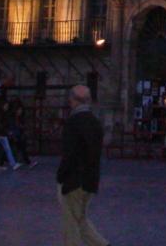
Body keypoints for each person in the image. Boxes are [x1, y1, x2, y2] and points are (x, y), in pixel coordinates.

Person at [56, 85, 109, 246]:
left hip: (74, 180)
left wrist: (61, 176)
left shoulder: (73, 123)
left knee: (71, 223)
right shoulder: (95, 123)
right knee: (80, 219)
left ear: (73, 101)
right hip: (91, 179)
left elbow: (69, 154)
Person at [8, 98, 38, 168]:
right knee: (11, 148)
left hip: (16, 135)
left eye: (21, 110)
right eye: (19, 110)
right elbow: (12, 127)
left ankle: (27, 162)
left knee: (21, 148)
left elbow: (18, 127)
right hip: (14, 135)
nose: (20, 111)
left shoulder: (18, 118)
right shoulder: (13, 118)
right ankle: (26, 162)